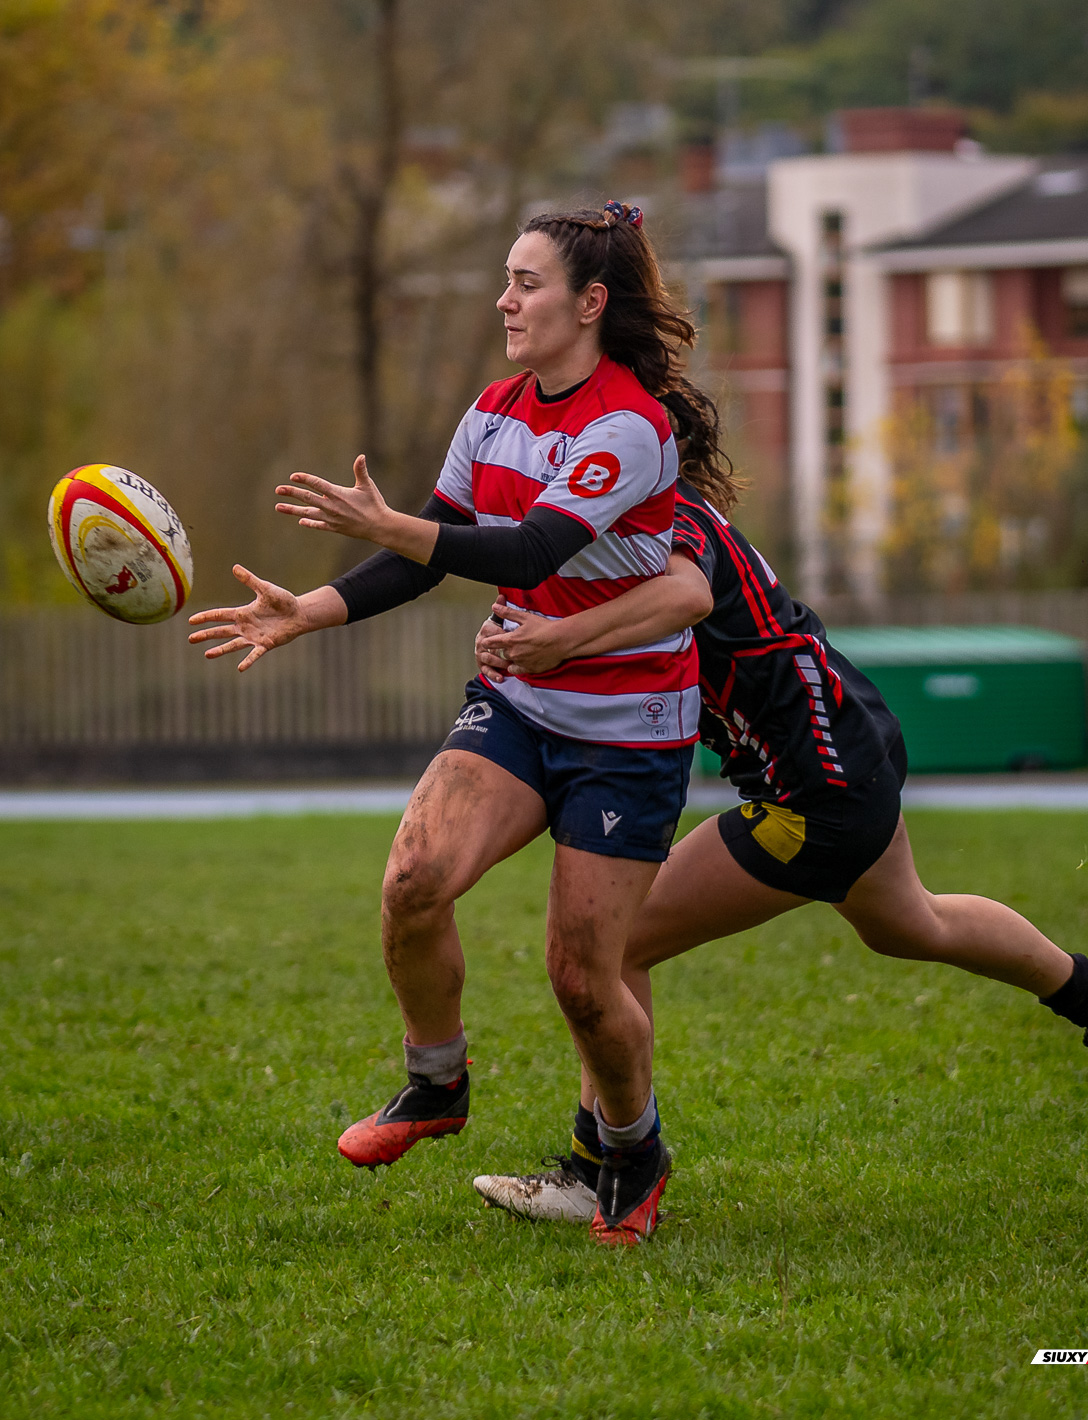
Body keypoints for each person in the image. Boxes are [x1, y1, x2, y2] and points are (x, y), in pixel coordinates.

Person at [188, 202, 728, 1247]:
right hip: (522, 703)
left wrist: (395, 521)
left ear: (591, 303)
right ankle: (436, 1084)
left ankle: (633, 1147)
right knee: (412, 879)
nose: (505, 299)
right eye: (507, 278)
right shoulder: (493, 410)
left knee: (582, 977)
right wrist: (313, 609)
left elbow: (524, 551)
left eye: (527, 282)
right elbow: (424, 556)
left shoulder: (630, 426)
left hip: (629, 730)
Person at [469, 474, 1088, 1225]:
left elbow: (676, 604)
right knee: (910, 924)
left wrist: (550, 640)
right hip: (850, 748)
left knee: (615, 945)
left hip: (814, 792)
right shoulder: (640, 528)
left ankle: (599, 1167)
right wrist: (512, 639)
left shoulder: (666, 523)